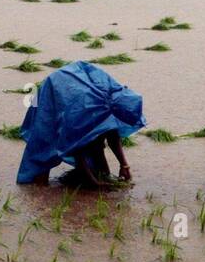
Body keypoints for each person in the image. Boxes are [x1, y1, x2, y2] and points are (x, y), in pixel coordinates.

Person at [16, 61, 145, 186]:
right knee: (45, 148)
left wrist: (124, 165)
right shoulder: (83, 112)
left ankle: (91, 173)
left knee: (101, 164)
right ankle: (38, 192)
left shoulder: (115, 96)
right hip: (54, 91)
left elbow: (112, 135)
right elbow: (76, 147)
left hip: (78, 84)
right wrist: (94, 183)